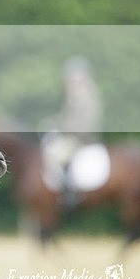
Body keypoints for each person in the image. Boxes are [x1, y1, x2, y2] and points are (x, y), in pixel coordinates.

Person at [42, 56, 103, 208]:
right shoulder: (73, 96)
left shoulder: (88, 97)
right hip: (70, 135)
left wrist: (65, 131)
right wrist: (54, 124)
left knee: (58, 156)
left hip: (82, 138)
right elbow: (67, 118)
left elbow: (87, 122)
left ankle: (69, 193)